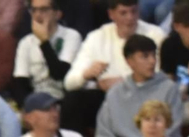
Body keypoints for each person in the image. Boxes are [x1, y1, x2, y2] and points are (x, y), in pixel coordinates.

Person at [64, 0, 167, 129]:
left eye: (133, 12)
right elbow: (69, 83)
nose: (130, 18)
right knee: (73, 100)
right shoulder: (97, 37)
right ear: (111, 14)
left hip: (143, 95)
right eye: (123, 13)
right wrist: (86, 76)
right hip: (105, 98)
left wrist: (125, 83)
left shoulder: (155, 34)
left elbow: (160, 76)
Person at [94, 35, 184, 137]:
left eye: (154, 55)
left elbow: (172, 129)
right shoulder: (115, 93)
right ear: (130, 61)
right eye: (145, 56)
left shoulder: (169, 88)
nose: (152, 61)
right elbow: (105, 134)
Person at [12, 0, 83, 107]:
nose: (37, 15)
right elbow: (20, 82)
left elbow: (59, 74)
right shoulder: (25, 42)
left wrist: (44, 42)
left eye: (44, 9)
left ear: (57, 14)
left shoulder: (71, 36)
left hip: (63, 99)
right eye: (34, 10)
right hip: (36, 99)